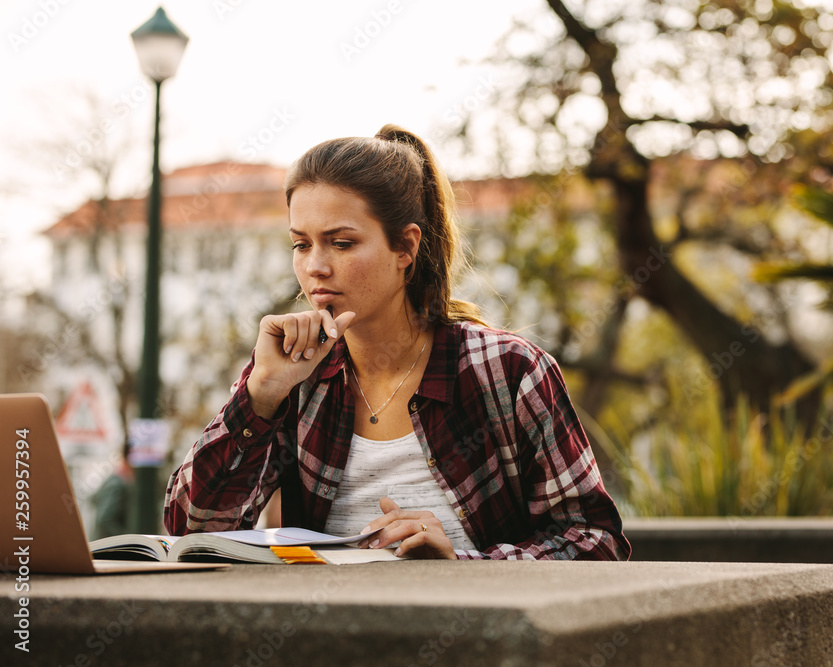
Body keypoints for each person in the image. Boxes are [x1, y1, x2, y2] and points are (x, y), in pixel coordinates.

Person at [164, 124, 630, 560]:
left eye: (341, 243)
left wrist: (464, 563)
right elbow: (192, 532)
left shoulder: (508, 371)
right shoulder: (292, 377)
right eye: (301, 245)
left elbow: (594, 541)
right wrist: (260, 397)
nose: (315, 268)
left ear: (405, 248)